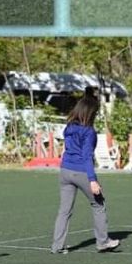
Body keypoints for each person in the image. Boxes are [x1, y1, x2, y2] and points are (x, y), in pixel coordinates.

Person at [50, 89, 120, 254]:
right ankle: (103, 242)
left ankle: (56, 246)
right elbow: (87, 156)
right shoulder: (89, 132)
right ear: (91, 113)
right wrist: (92, 179)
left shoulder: (69, 128)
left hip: (65, 171)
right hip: (81, 171)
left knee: (64, 210)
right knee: (98, 204)